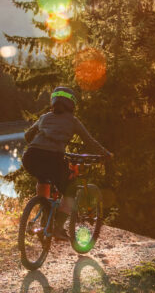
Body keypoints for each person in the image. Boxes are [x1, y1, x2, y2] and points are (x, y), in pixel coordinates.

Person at [22, 86, 112, 240]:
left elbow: (28, 136)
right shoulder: (72, 121)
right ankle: (57, 228)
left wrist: (40, 140)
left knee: (43, 179)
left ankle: (44, 214)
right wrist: (106, 154)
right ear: (71, 104)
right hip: (53, 158)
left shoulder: (44, 117)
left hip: (31, 157)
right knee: (70, 190)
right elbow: (90, 141)